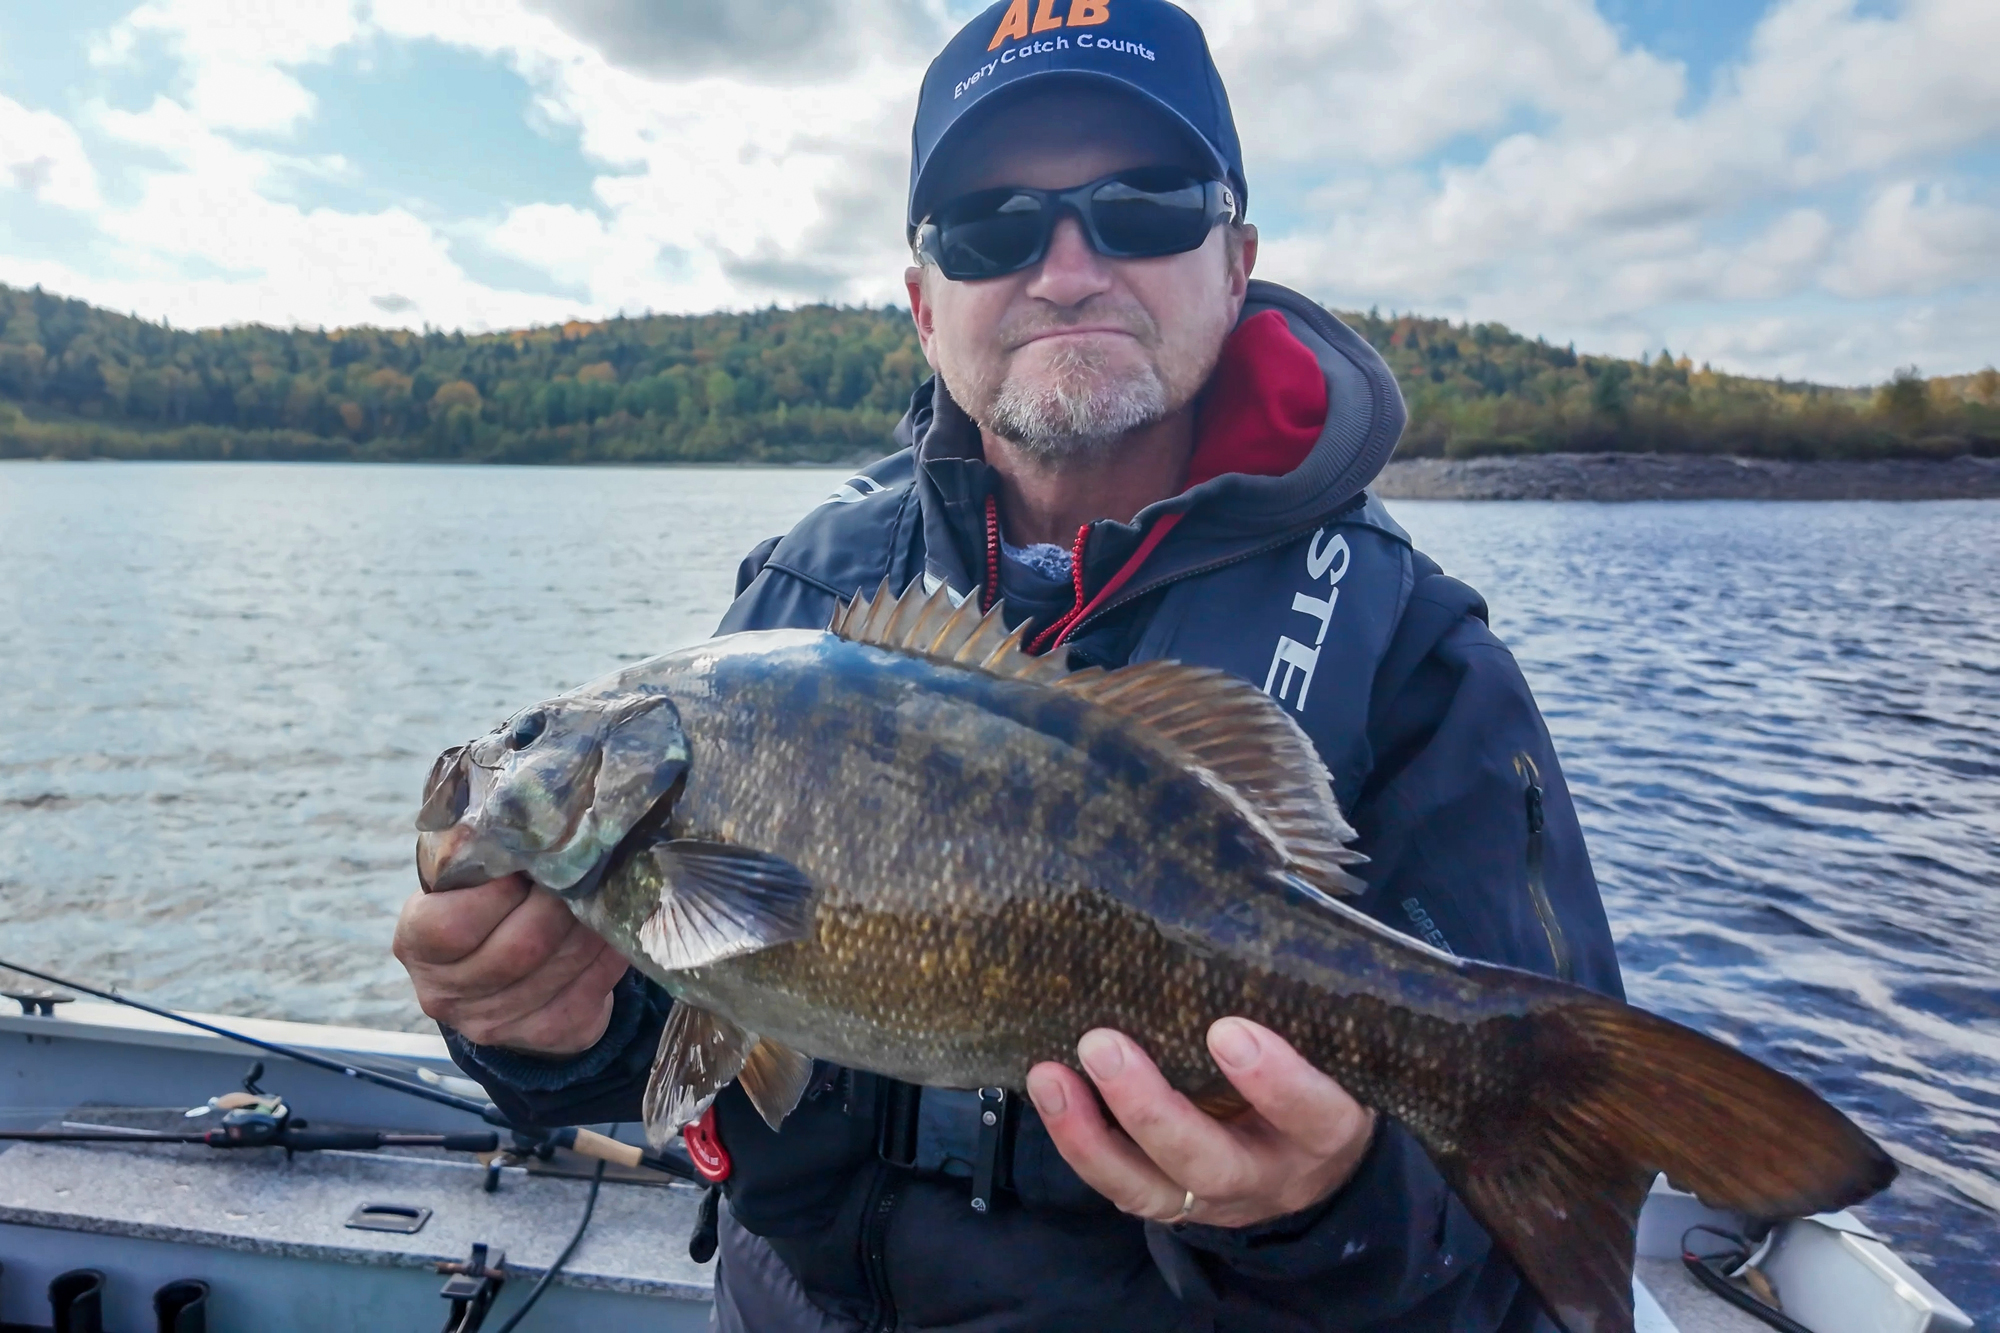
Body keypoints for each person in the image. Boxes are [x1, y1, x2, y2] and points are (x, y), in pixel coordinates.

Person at [394, 2, 1621, 1328]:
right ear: (926, 304)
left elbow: (1504, 1265)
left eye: (1145, 206)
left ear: (1236, 260)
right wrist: (525, 1027)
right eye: (992, 229)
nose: (1069, 264)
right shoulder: (797, 595)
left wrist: (1331, 1205)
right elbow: (677, 1032)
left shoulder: (1412, 658)